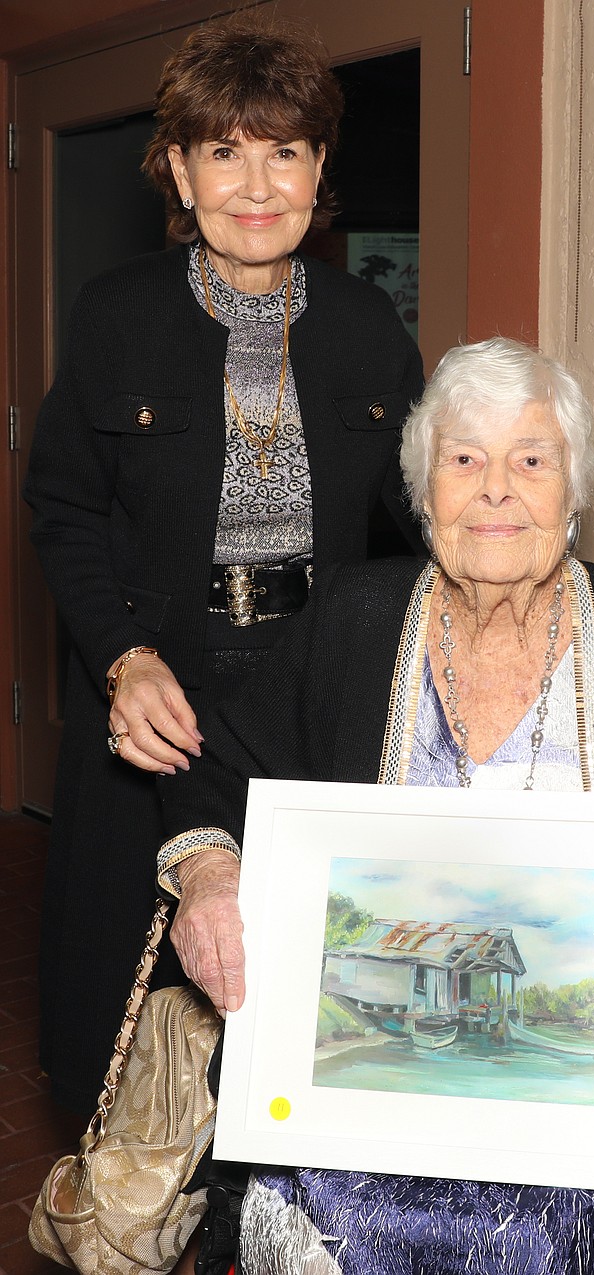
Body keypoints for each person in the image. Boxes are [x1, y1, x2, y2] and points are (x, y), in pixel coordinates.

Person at [159, 338, 594, 1274]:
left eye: (531, 459)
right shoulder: (353, 617)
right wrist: (208, 874)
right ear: (423, 486)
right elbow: (214, 767)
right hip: (362, 1122)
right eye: (464, 458)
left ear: (574, 488)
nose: (496, 490)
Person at [23, 11, 423, 1115]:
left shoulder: (368, 325)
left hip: (310, 695)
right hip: (157, 691)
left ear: (319, 169)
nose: (256, 185)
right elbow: (64, 509)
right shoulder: (115, 315)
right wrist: (122, 659)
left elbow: (425, 514)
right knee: (126, 999)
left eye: (284, 151)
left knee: (305, 995)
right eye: (224, 152)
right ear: (179, 170)